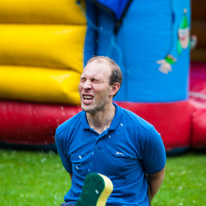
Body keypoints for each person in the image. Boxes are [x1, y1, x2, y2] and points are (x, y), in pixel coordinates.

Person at [55, 56, 166, 206]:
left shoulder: (143, 132)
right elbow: (76, 177)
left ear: (113, 88)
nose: (86, 86)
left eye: (95, 81)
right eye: (83, 79)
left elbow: (156, 175)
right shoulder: (64, 132)